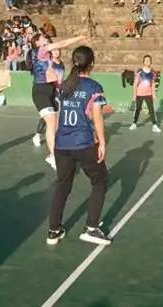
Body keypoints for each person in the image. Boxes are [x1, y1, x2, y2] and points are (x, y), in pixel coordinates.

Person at [47, 46, 112, 246]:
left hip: (62, 144)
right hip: (83, 143)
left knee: (62, 185)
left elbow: (60, 114)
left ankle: (53, 230)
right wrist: (102, 142)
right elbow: (97, 118)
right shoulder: (93, 87)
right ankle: (91, 228)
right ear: (91, 63)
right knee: (100, 181)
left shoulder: (64, 86)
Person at [31, 33, 87, 170]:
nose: (45, 38)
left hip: (51, 90)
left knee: (55, 124)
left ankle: (55, 153)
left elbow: (56, 77)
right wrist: (80, 37)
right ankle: (53, 156)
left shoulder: (49, 58)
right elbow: (62, 43)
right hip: (41, 91)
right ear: (37, 43)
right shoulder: (41, 50)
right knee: (51, 123)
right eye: (42, 38)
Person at [33, 48, 65, 146]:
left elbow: (61, 77)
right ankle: (37, 135)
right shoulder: (48, 63)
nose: (57, 52)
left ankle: (55, 136)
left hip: (58, 91)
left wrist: (61, 88)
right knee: (48, 115)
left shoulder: (61, 63)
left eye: (58, 50)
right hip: (49, 90)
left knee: (55, 114)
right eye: (54, 50)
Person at [129, 55, 161, 133]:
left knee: (151, 110)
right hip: (139, 94)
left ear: (150, 62)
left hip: (148, 94)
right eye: (146, 60)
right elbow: (135, 84)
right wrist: (134, 95)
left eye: (149, 61)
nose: (147, 62)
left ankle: (154, 125)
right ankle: (134, 123)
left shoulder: (152, 73)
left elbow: (153, 84)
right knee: (137, 109)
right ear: (143, 62)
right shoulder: (140, 72)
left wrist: (154, 94)